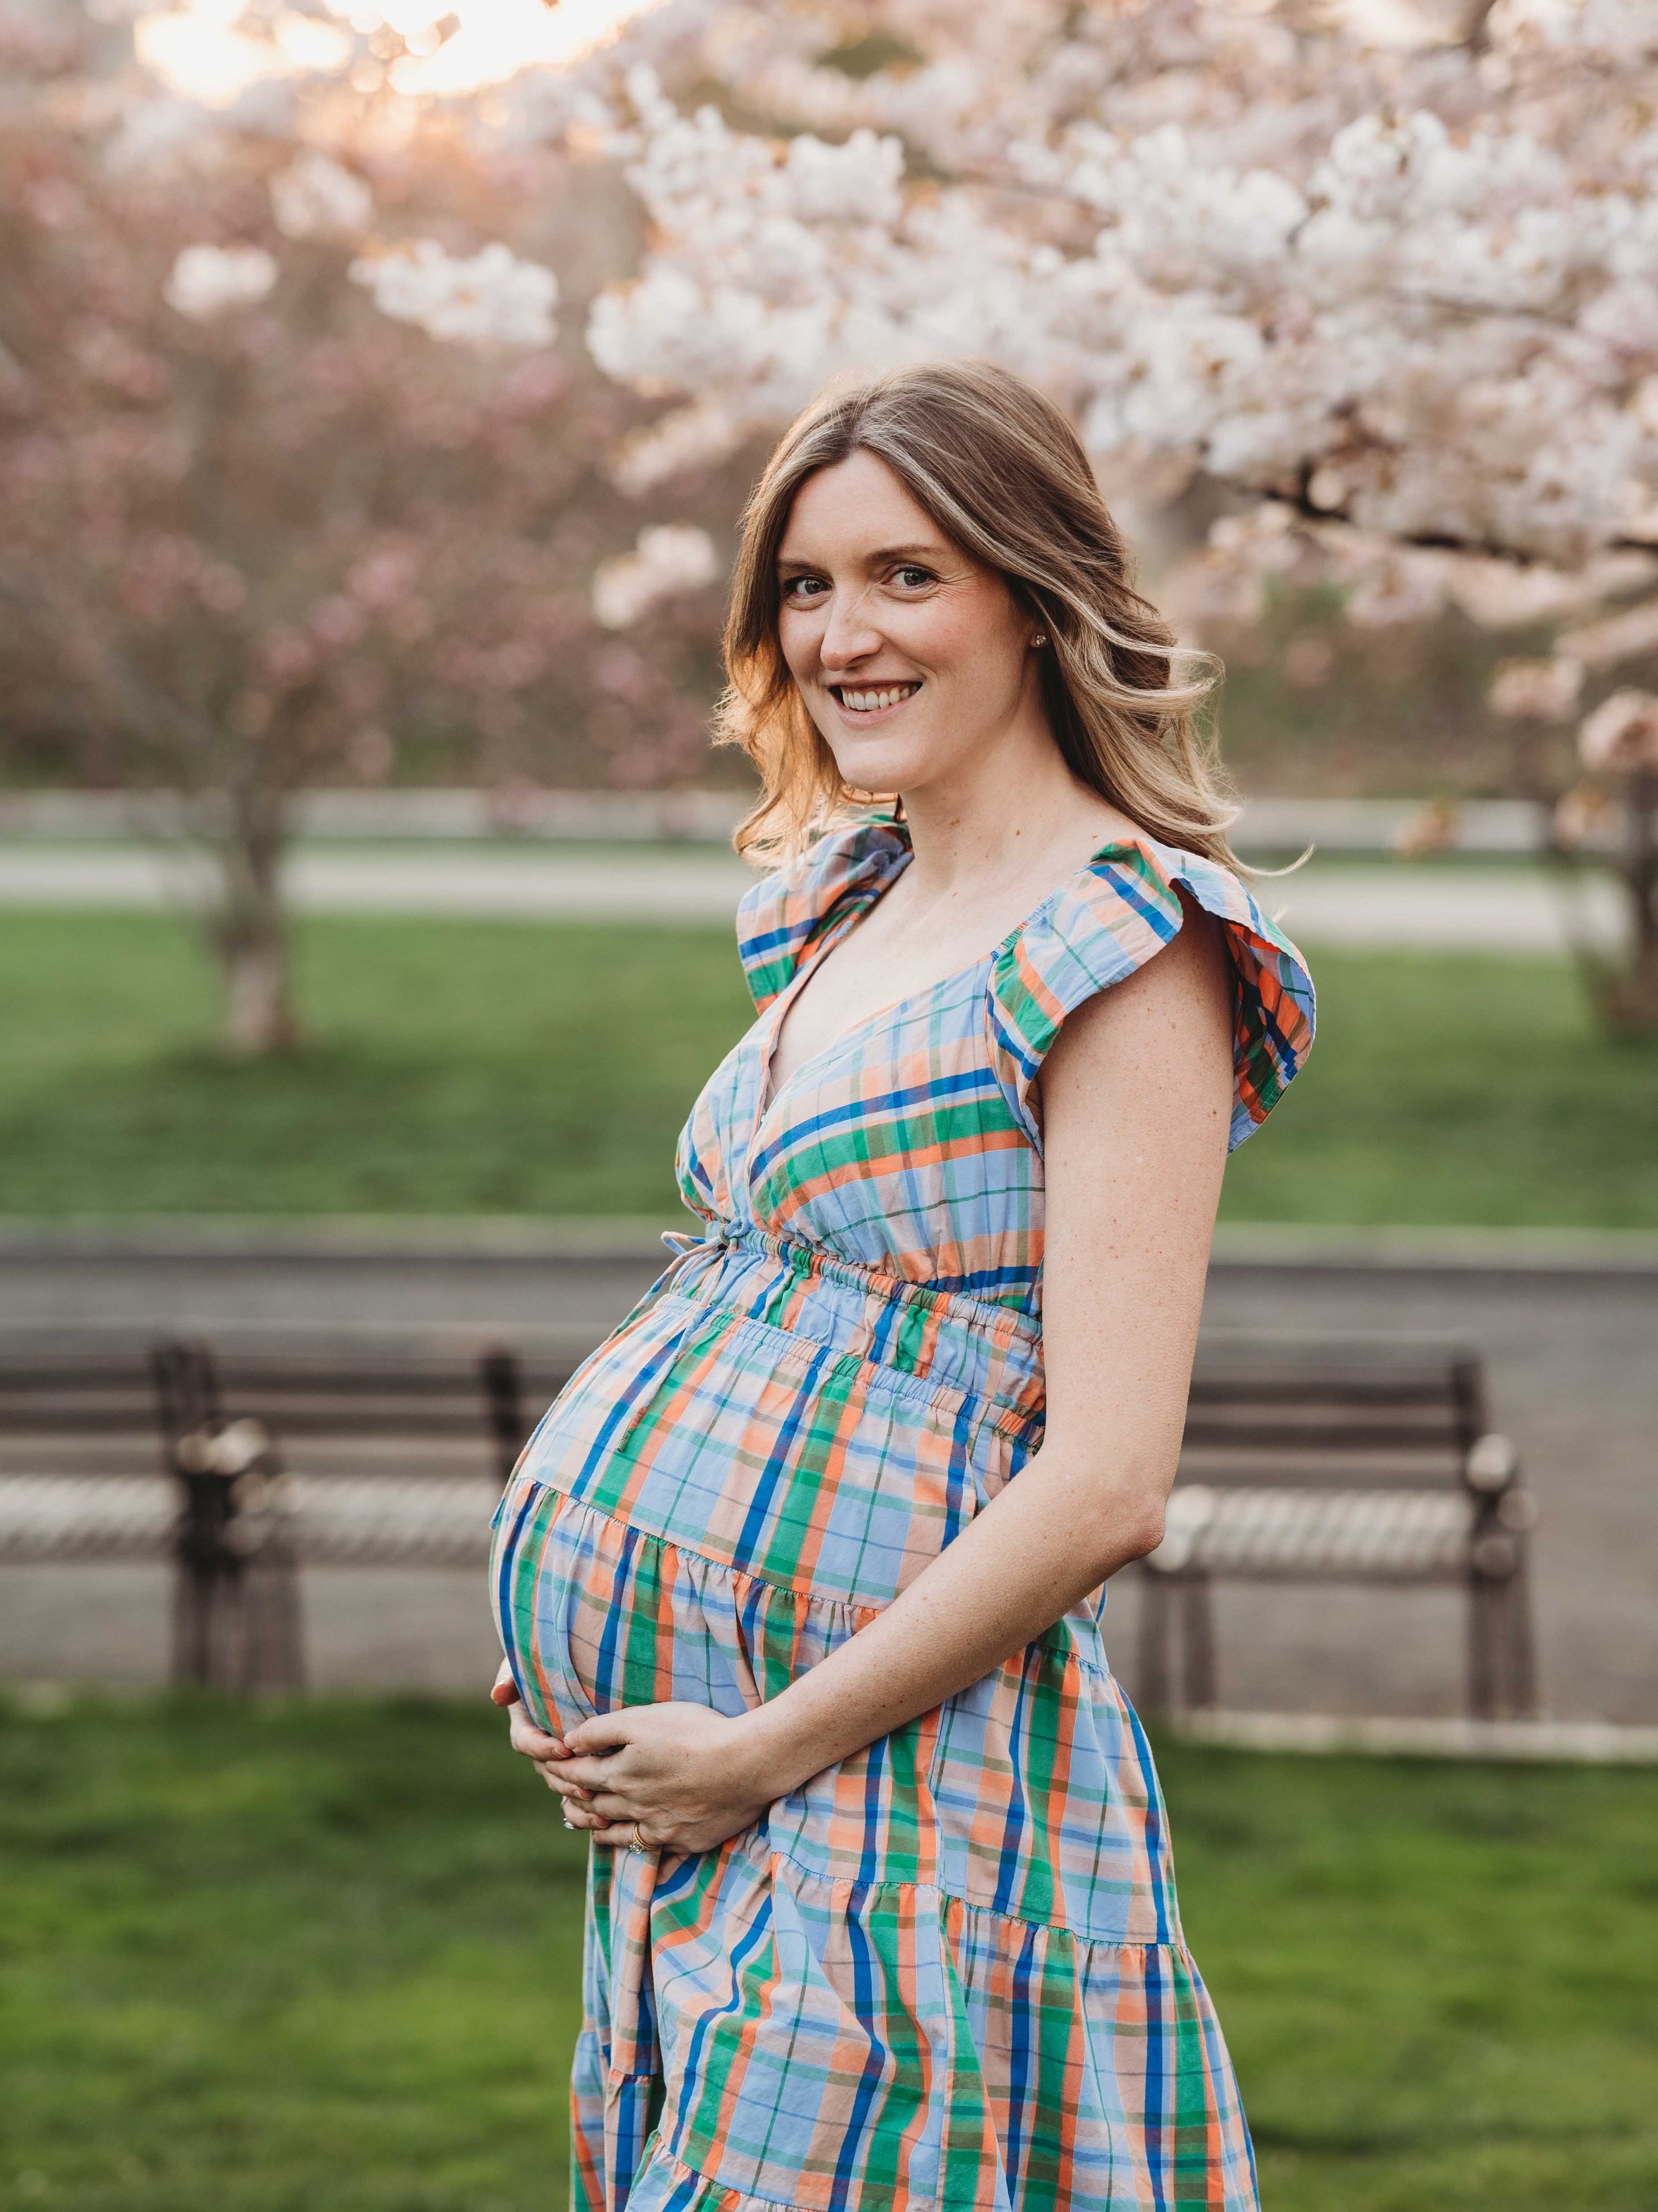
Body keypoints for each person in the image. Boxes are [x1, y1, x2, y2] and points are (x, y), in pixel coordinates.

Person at [490, 359, 1315, 2212]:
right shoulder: (852, 900)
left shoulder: (1125, 947)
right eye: (803, 586)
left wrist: (753, 1742)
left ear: (1031, 593)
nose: (840, 634)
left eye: (905, 576)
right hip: (713, 1798)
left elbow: (1105, 1481)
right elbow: (772, 1316)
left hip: (889, 1791)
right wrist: (605, 1635)